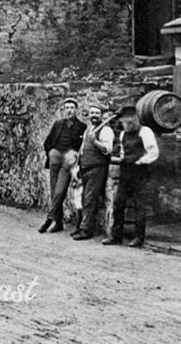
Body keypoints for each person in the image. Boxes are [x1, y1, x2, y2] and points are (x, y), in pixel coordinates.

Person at [104, 106, 159, 247]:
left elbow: (153, 152)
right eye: (124, 119)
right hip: (125, 172)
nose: (126, 121)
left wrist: (141, 161)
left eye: (130, 118)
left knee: (139, 206)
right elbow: (123, 151)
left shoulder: (145, 132)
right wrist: (121, 158)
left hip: (140, 173)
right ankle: (116, 236)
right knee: (118, 203)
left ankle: (139, 238)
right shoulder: (123, 134)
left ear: (135, 118)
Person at [39, 97, 87, 233]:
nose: (69, 110)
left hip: (68, 161)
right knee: (54, 191)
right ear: (63, 110)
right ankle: (58, 222)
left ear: (76, 110)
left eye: (72, 108)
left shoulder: (82, 127)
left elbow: (81, 147)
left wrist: (74, 154)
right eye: (67, 108)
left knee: (60, 191)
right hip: (55, 159)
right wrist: (52, 153)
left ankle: (49, 219)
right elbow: (47, 142)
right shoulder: (58, 124)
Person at [72, 105, 114, 240]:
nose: (94, 115)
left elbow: (107, 149)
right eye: (92, 113)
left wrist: (95, 140)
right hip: (85, 167)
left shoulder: (106, 130)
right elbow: (83, 149)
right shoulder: (89, 129)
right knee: (83, 198)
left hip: (97, 168)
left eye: (97, 113)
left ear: (101, 115)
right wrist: (78, 166)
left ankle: (86, 230)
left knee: (90, 199)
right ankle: (81, 226)